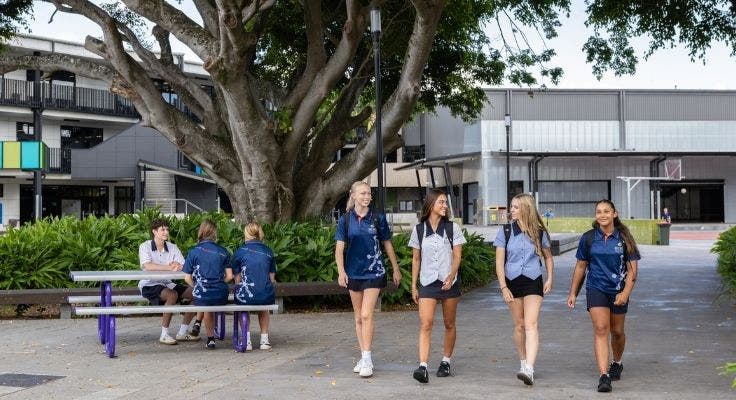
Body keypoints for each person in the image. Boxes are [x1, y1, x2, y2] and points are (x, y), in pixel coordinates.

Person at [567, 199, 640, 393]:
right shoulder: (589, 238)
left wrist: (625, 293)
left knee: (617, 332)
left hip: (617, 290)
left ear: (614, 214)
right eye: (599, 212)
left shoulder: (625, 238)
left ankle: (617, 362)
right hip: (595, 288)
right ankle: (603, 375)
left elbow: (632, 270)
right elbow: (581, 266)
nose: (602, 215)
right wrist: (573, 292)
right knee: (601, 328)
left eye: (606, 211)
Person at [335, 181, 401, 378]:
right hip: (353, 273)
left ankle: (367, 358)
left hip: (375, 271)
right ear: (353, 195)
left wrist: (396, 268)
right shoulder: (345, 220)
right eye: (363, 193)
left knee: (366, 315)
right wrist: (341, 271)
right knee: (357, 317)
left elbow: (387, 244)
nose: (367, 197)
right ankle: (363, 357)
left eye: (369, 194)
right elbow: (339, 249)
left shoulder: (378, 217)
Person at [493, 193, 554, 386]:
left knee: (531, 324)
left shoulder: (539, 232)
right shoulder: (505, 232)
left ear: (526, 209)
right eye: (511, 206)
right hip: (511, 281)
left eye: (515, 207)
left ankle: (529, 368)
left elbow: (548, 257)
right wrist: (503, 287)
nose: (512, 210)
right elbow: (499, 261)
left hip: (533, 280)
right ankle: (522, 361)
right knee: (519, 325)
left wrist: (550, 278)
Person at [409, 189, 466, 383]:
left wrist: (451, 275)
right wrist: (413, 285)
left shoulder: (452, 228)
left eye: (445, 203)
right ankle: (423, 367)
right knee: (426, 324)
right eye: (441, 202)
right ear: (431, 204)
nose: (444, 205)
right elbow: (416, 259)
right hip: (427, 282)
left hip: (449, 282)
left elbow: (457, 256)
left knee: (449, 323)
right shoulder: (418, 229)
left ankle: (445, 361)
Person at [138, 218, 199, 345]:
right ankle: (164, 335)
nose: (166, 232)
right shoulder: (145, 246)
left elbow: (184, 265)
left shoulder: (172, 247)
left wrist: (178, 265)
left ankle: (182, 332)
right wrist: (169, 266)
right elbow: (147, 266)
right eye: (162, 230)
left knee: (197, 293)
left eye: (167, 229)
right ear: (154, 231)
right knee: (172, 294)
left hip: (167, 283)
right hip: (149, 284)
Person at [183, 219, 233, 350]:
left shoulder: (193, 251)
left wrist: (197, 286)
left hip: (203, 293)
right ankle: (199, 325)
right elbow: (230, 276)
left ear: (201, 232)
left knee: (205, 302)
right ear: (214, 233)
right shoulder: (223, 251)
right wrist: (219, 282)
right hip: (221, 293)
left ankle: (210, 340)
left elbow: (187, 278)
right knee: (209, 302)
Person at [232, 222, 277, 351]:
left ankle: (247, 340)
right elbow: (272, 278)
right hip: (265, 295)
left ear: (246, 234)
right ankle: (264, 340)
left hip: (246, 295)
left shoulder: (240, 252)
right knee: (264, 306)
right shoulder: (268, 251)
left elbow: (237, 279)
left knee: (242, 308)